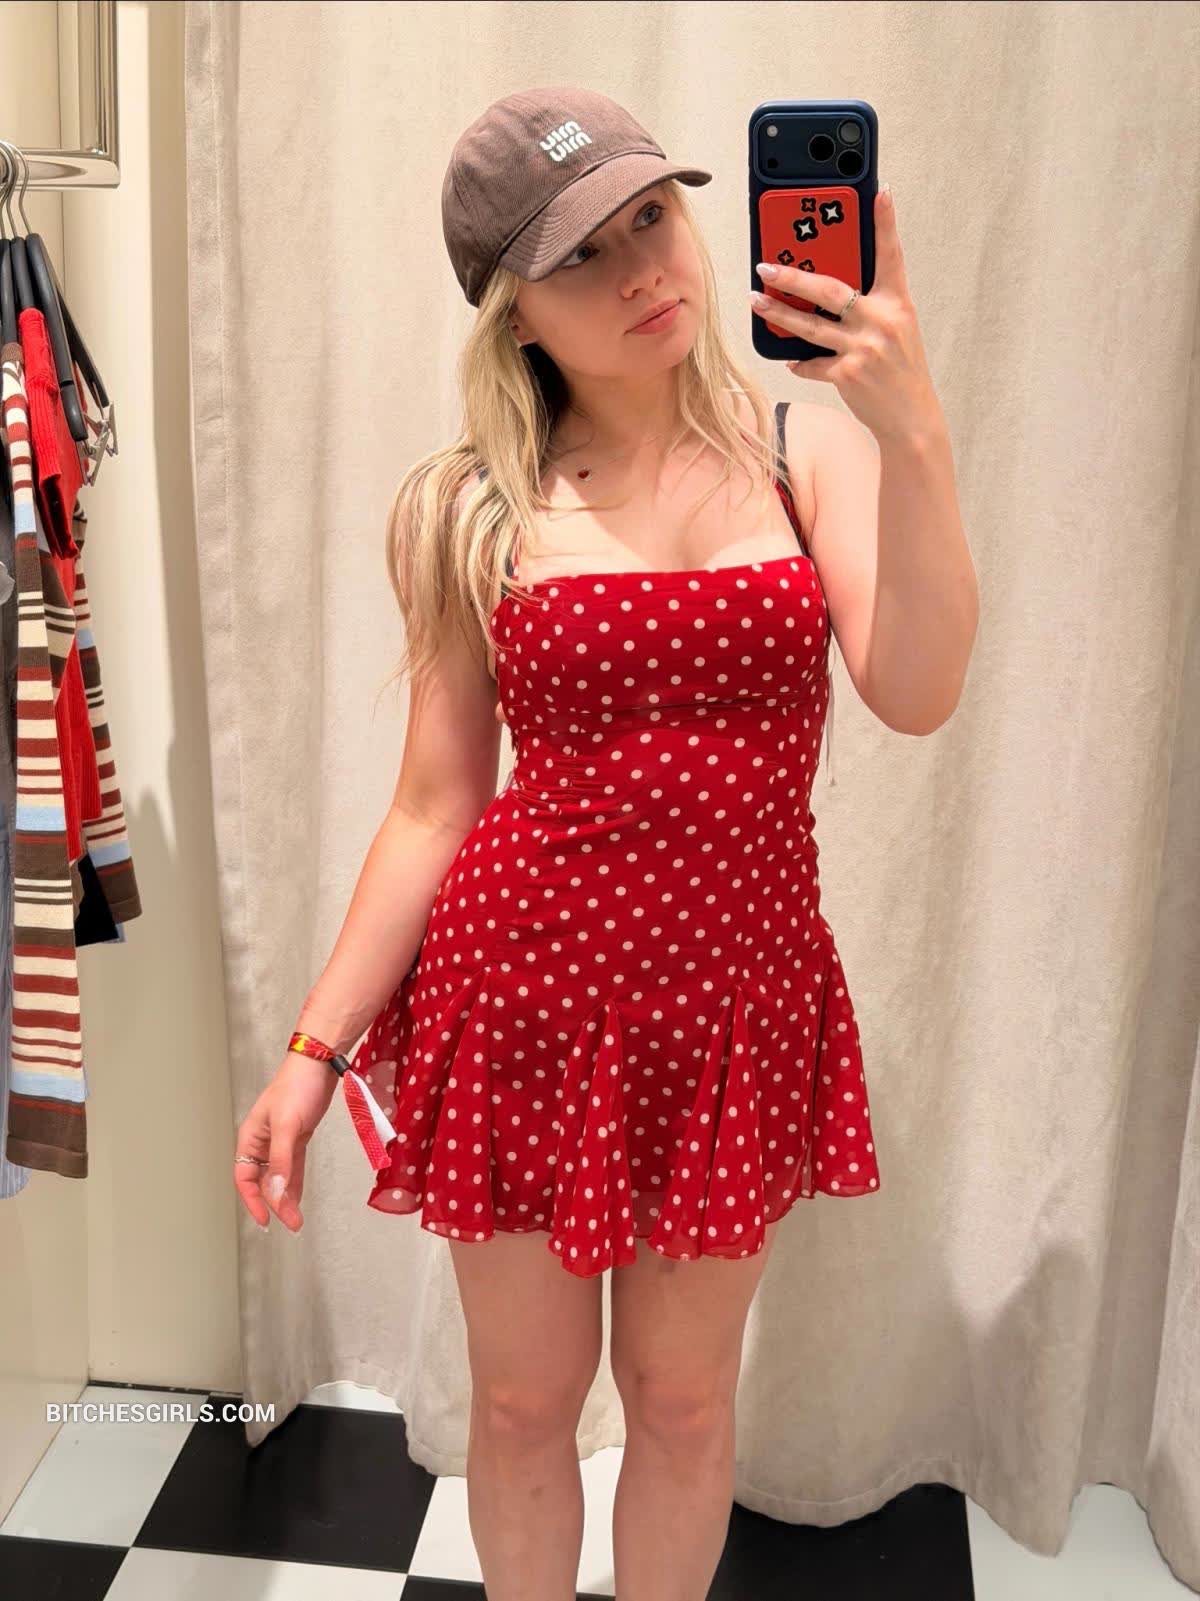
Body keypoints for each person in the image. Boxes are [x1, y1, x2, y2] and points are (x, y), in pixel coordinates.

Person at [233, 86, 974, 1601]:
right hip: (522, 1004)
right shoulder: (466, 507)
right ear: (513, 309)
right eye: (583, 253)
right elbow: (434, 803)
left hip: (732, 1008)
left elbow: (917, 691)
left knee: (685, 1405)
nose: (645, 269)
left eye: (652, 218)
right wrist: (314, 1050)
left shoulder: (805, 454)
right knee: (521, 1407)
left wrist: (916, 437)